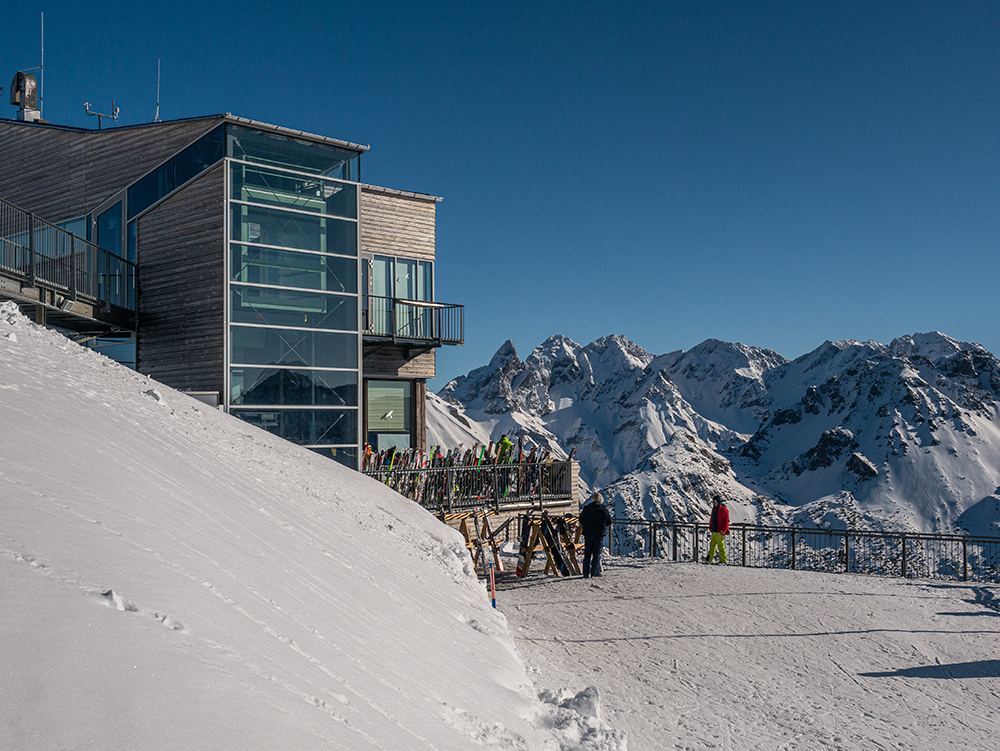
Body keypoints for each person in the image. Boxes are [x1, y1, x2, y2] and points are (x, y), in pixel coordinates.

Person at [579, 492, 613, 578]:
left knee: (587, 553)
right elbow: (609, 521)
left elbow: (581, 519)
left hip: (588, 533)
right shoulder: (603, 509)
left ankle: (585, 572)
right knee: (597, 553)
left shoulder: (587, 508)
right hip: (599, 533)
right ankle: (595, 572)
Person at [705, 495, 730, 564]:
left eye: (715, 501)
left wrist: (724, 530)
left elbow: (726, 520)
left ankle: (723, 561)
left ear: (719, 502)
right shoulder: (714, 509)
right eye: (713, 501)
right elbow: (712, 519)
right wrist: (711, 527)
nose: (714, 503)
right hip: (714, 530)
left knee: (720, 546)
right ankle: (708, 559)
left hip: (720, 531)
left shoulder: (723, 509)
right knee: (712, 545)